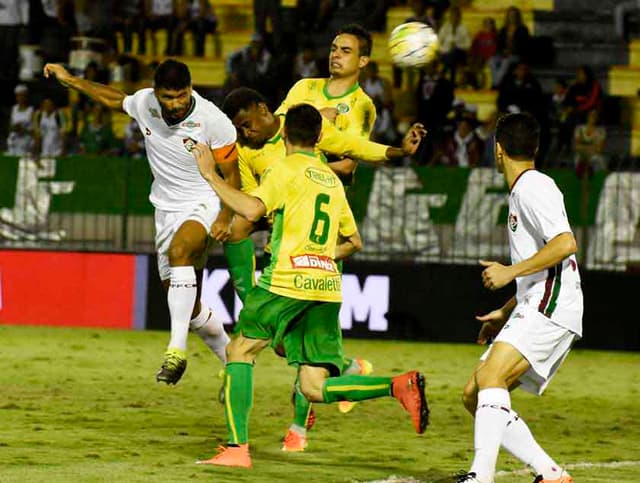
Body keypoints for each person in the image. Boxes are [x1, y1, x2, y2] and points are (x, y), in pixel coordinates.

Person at [190, 103, 429, 468]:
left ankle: (236, 449)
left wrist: (211, 175)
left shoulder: (283, 169)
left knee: (240, 351)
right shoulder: (330, 179)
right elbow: (354, 241)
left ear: (284, 133)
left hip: (285, 283)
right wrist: (319, 256)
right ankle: (398, 385)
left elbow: (252, 210)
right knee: (312, 387)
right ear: (319, 138)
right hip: (326, 287)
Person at [43, 59, 239, 385]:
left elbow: (232, 174)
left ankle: (175, 351)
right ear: (157, 92)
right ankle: (234, 363)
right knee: (189, 308)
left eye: (181, 95)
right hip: (165, 210)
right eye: (168, 97)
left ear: (191, 89)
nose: (175, 104)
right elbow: (113, 98)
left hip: (204, 201)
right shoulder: (145, 102)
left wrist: (224, 215)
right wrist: (71, 81)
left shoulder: (213, 121)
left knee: (180, 253)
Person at [456, 112, 582, 483]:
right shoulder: (525, 189)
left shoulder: (533, 187)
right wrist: (506, 310)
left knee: (491, 376)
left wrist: (509, 272)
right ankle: (550, 473)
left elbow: (566, 243)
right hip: (539, 301)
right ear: (536, 148)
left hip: (554, 303)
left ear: (498, 150)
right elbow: (542, 265)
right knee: (474, 393)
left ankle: (481, 476)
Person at [5, 84, 35, 156]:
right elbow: (10, 127)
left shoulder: (31, 110)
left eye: (22, 95)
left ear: (26, 97)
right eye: (18, 95)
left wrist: (23, 129)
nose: (20, 98)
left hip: (26, 143)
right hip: (14, 142)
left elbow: (34, 130)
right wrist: (15, 128)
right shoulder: (14, 109)